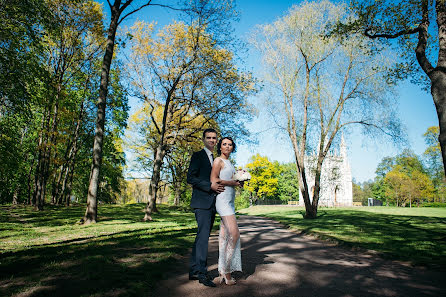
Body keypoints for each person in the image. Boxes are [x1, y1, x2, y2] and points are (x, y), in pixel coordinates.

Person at [187, 128, 225, 287]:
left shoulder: (216, 159)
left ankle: (194, 270)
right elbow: (191, 178)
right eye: (208, 137)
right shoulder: (197, 156)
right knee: (203, 238)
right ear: (203, 139)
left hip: (212, 203)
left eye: (214, 138)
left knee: (201, 236)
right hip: (201, 202)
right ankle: (202, 273)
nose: (211, 140)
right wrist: (209, 186)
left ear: (216, 140)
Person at [211, 137, 242, 286]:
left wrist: (239, 181)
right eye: (224, 144)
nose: (227, 146)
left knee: (224, 237)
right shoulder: (218, 161)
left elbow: (231, 180)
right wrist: (231, 182)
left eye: (230, 145)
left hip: (230, 201)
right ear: (220, 147)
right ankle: (227, 272)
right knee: (234, 234)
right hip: (222, 201)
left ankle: (221, 270)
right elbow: (213, 179)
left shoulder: (230, 162)